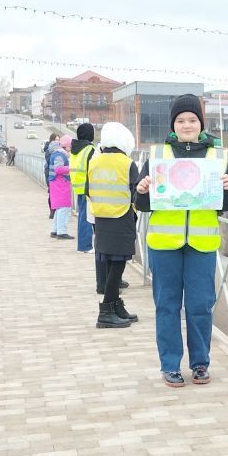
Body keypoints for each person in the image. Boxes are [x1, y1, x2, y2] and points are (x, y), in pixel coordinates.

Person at [135, 95, 228, 387]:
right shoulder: (157, 155)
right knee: (166, 305)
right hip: (164, 245)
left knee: (200, 306)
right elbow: (141, 203)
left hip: (201, 246)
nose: (187, 125)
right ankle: (170, 365)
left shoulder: (216, 157)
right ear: (173, 125)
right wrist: (142, 190)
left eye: (192, 119)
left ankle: (200, 363)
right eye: (180, 120)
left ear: (201, 123)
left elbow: (227, 202)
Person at [87, 122, 142, 329]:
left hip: (101, 218)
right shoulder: (127, 163)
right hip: (122, 217)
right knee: (118, 264)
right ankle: (107, 310)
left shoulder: (94, 161)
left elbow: (87, 190)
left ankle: (117, 305)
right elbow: (137, 194)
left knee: (110, 262)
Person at [69, 123, 97, 253]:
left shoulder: (75, 148)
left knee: (82, 216)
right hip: (87, 187)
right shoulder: (89, 149)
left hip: (78, 187)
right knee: (86, 218)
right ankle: (85, 246)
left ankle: (83, 244)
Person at [49, 135, 74, 239]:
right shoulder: (60, 155)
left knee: (59, 208)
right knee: (64, 207)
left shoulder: (57, 154)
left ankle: (55, 230)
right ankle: (61, 232)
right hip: (60, 184)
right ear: (66, 146)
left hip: (56, 184)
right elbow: (58, 169)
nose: (71, 148)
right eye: (70, 146)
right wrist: (71, 168)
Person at [43, 133, 58, 218]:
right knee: (51, 192)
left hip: (57, 173)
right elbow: (49, 161)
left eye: (58, 140)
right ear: (51, 140)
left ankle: (56, 209)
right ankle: (52, 210)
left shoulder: (60, 149)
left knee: (56, 192)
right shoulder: (49, 150)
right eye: (55, 139)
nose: (57, 141)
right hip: (49, 171)